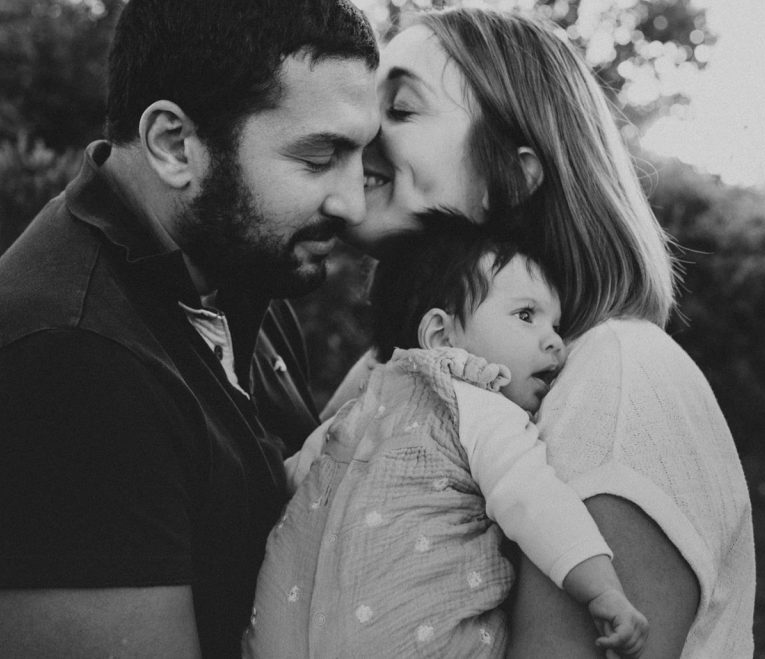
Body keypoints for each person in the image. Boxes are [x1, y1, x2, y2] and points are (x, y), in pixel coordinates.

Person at [0, 0, 379, 656]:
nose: (353, 204)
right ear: (174, 144)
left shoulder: (241, 284)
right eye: (320, 157)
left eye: (365, 158)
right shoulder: (60, 362)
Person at [327, 8, 755, 657]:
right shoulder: (396, 371)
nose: (361, 127)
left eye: (403, 107)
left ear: (516, 173)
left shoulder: (618, 380)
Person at [244, 211, 649, 658]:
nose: (555, 341)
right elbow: (535, 502)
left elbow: (533, 497)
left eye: (556, 324)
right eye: (527, 315)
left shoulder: (388, 410)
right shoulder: (472, 402)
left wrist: (598, 586)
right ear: (441, 334)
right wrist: (601, 588)